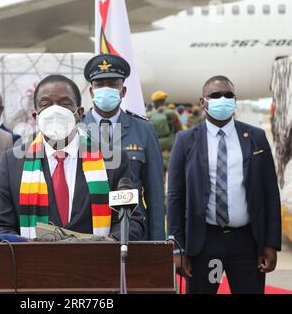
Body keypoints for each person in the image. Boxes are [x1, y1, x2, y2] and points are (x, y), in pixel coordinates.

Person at [0, 74, 144, 240]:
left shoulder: (112, 160)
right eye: (46, 104)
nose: (56, 111)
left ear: (80, 113)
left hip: (97, 262)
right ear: (35, 116)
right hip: (34, 263)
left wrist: (107, 242)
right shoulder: (12, 162)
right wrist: (29, 247)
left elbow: (132, 221)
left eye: (65, 103)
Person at [167, 75, 281, 294]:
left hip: (247, 244)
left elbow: (270, 192)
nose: (222, 99)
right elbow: (175, 197)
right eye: (215, 95)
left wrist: (270, 243)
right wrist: (176, 248)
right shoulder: (186, 140)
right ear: (203, 102)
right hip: (205, 242)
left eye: (228, 95)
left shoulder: (256, 137)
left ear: (235, 101)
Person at [82, 54, 165, 241]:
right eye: (99, 84)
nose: (106, 90)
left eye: (112, 84)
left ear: (123, 91)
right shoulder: (77, 129)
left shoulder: (143, 129)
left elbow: (155, 192)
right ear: (91, 91)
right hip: (87, 231)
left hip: (133, 229)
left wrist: (158, 241)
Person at [149, 90, 182, 171]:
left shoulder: (149, 115)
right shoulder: (172, 113)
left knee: (158, 170)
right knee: (173, 168)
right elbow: (179, 130)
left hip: (156, 146)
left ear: (154, 102)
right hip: (171, 145)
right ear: (164, 101)